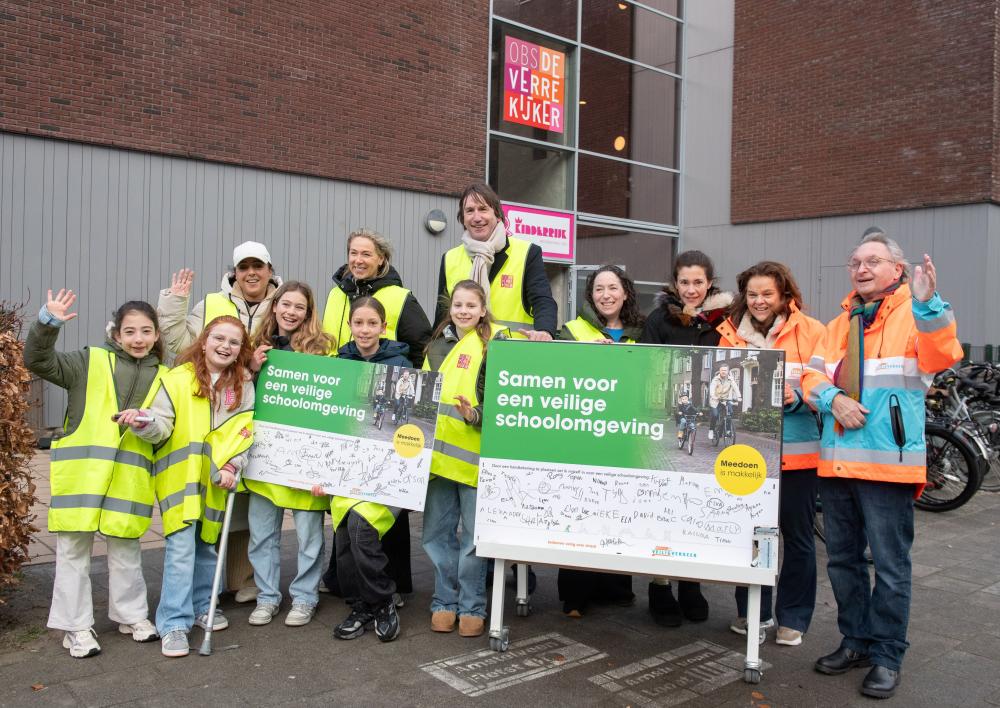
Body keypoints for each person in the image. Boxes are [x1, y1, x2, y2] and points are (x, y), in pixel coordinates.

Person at [802, 229, 961, 699]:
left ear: (898, 268)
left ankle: (888, 653)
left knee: (891, 568)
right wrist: (832, 399)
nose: (861, 268)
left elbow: (943, 356)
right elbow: (808, 375)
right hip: (836, 467)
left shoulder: (916, 314)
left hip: (888, 467)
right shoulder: (838, 324)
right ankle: (856, 641)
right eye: (855, 262)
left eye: (872, 260)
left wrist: (930, 304)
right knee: (844, 563)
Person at [25, 290, 166, 657]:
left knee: (125, 547)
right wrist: (47, 323)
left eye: (146, 331)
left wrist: (147, 424)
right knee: (73, 551)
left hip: (129, 478)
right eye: (131, 332)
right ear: (116, 334)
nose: (139, 339)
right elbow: (38, 361)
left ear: (156, 335)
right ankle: (76, 627)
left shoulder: (165, 376)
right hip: (82, 476)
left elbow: (165, 427)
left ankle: (131, 615)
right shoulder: (88, 361)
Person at [119, 315, 255, 658]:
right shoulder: (177, 379)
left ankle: (201, 606)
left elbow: (244, 432)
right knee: (181, 551)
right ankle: (173, 624)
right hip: (179, 479)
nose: (225, 346)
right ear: (205, 340)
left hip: (215, 482)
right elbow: (161, 424)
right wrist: (143, 422)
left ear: (241, 350)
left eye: (234, 342)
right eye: (219, 339)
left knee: (207, 545)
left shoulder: (242, 385)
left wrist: (231, 465)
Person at [157, 241, 281, 603]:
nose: (252, 273)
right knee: (214, 488)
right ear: (234, 272)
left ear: (271, 270)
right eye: (244, 267)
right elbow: (179, 343)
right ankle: (205, 586)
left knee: (245, 494)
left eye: (259, 266)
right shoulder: (211, 303)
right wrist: (175, 303)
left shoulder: (281, 303)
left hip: (265, 403)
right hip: (220, 402)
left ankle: (241, 579)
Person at [716, 261, 827, 646]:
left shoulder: (813, 332)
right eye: (752, 294)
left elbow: (825, 387)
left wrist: (798, 399)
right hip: (747, 456)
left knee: (797, 539)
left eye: (767, 294)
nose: (760, 301)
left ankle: (793, 618)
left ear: (784, 295)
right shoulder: (729, 336)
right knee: (750, 537)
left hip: (797, 455)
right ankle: (753, 614)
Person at [640, 249, 734, 627]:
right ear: (674, 283)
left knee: (698, 504)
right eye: (685, 282)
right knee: (663, 503)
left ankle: (691, 583)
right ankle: (660, 585)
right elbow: (646, 364)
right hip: (672, 408)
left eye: (698, 282)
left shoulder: (725, 320)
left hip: (706, 404)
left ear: (709, 282)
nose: (692, 289)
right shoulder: (660, 319)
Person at [315, 296, 414, 643]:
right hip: (347, 471)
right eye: (359, 323)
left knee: (360, 528)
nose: (365, 330)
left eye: (372, 323)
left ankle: (383, 600)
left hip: (388, 472)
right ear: (350, 325)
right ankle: (361, 605)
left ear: (383, 327)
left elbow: (409, 424)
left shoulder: (402, 366)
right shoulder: (340, 363)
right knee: (343, 538)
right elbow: (327, 422)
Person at [243, 283, 334, 628]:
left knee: (309, 535)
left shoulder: (323, 350)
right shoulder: (255, 346)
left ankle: (305, 596)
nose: (291, 312)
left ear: (309, 313)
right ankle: (267, 597)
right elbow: (237, 391)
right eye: (286, 304)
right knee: (262, 533)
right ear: (275, 306)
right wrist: (250, 368)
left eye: (300, 307)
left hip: (304, 458)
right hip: (264, 455)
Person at [422, 280, 508, 637]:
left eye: (471, 305)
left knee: (473, 540)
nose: (464, 311)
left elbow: (503, 398)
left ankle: (472, 607)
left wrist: (475, 415)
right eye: (458, 305)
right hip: (438, 460)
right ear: (451, 308)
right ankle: (444, 602)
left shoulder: (493, 345)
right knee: (436, 535)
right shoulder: (435, 347)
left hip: (475, 458)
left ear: (483, 308)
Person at [557, 265, 643, 617]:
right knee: (579, 511)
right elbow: (556, 372)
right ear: (589, 296)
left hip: (624, 433)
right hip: (583, 434)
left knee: (619, 510)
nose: (606, 295)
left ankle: (615, 586)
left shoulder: (642, 330)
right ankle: (575, 595)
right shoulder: (573, 330)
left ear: (625, 292)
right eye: (598, 289)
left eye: (613, 287)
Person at [435, 183, 557, 341]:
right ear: (463, 219)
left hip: (511, 356)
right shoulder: (449, 258)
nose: (477, 218)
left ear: (498, 215)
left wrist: (544, 331)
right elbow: (442, 315)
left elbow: (543, 300)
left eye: (483, 209)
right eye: (470, 211)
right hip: (465, 355)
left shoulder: (527, 253)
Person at [322, 228, 432, 366]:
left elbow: (422, 351)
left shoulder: (401, 298)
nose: (358, 260)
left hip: (381, 383)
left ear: (381, 258)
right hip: (338, 381)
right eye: (353, 253)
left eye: (366, 254)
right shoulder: (334, 294)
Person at [708, 364, 742, 439]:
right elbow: (712, 388)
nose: (723, 372)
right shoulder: (715, 379)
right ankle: (711, 430)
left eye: (725, 370)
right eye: (722, 370)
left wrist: (739, 396)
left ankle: (728, 431)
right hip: (715, 400)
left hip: (726, 400)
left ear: (728, 371)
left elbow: (735, 387)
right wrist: (713, 395)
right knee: (715, 415)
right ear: (720, 371)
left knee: (730, 413)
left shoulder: (731, 379)